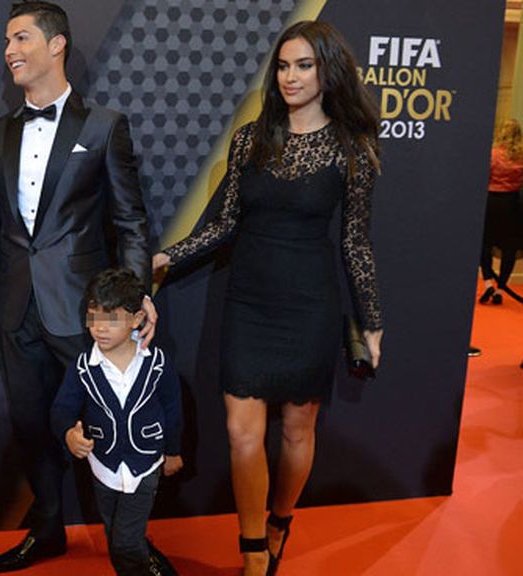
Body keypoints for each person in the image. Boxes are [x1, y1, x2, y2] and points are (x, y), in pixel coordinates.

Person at [152, 21, 383, 576]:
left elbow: (355, 241)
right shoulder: (251, 138)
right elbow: (226, 222)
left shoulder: (352, 149)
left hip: (309, 304)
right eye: (283, 66)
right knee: (240, 432)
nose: (290, 77)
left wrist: (372, 322)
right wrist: (168, 257)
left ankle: (281, 518)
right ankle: (253, 546)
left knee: (299, 430)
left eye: (303, 65)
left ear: (328, 71)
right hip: (249, 302)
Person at [0, 2, 156, 572]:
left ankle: (131, 542)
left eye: (20, 38)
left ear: (57, 45)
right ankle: (46, 530)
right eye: (5, 42)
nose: (9, 52)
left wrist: (135, 299)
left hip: (87, 314)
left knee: (116, 428)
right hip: (16, 309)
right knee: (31, 426)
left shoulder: (103, 126)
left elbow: (131, 222)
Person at [50, 268, 182, 576]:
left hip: (145, 464)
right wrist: (69, 433)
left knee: (124, 542)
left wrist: (173, 451)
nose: (100, 327)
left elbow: (173, 407)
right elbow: (61, 409)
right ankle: (140, 558)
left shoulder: (157, 363)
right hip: (103, 466)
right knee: (115, 534)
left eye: (112, 319)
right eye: (94, 316)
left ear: (136, 320)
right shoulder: (83, 367)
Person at [478, 119, 523, 305]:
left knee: (484, 244)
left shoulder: (492, 154)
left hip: (491, 202)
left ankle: (488, 281)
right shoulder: (521, 156)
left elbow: (483, 177)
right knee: (509, 248)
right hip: (512, 204)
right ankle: (500, 287)